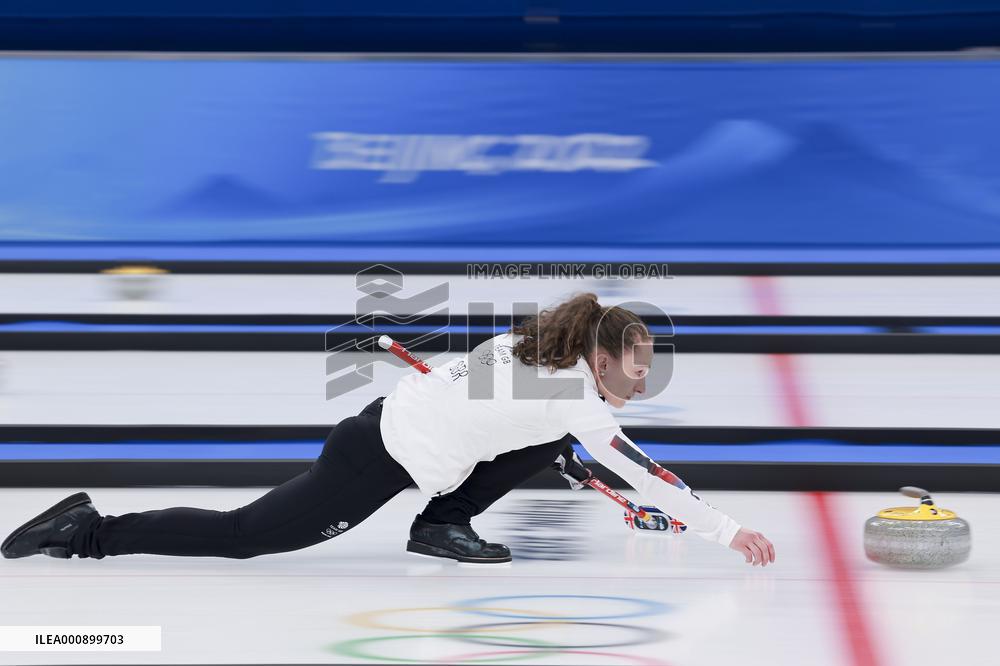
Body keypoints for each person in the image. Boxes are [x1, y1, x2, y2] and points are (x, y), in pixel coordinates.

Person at [2, 292, 775, 567]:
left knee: (552, 444)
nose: (646, 379)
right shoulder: (579, 402)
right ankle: (89, 531)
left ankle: (442, 525)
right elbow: (646, 472)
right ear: (603, 359)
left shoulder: (531, 346)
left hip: (388, 432)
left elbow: (510, 417)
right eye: (637, 367)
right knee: (244, 536)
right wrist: (728, 530)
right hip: (374, 461)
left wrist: (562, 456)